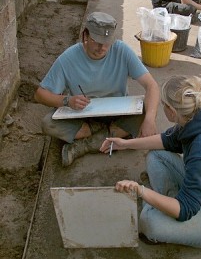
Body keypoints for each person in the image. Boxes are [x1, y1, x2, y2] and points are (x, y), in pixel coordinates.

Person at [100, 75, 201, 247]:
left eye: (163, 105)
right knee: (156, 155)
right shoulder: (199, 113)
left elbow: (186, 209)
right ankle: (166, 203)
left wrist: (141, 191)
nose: (162, 108)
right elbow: (167, 141)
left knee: (149, 222)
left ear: (172, 112)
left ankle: (163, 205)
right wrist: (125, 144)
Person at [34, 12, 159, 167]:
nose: (102, 48)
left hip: (118, 113)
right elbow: (40, 94)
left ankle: (83, 146)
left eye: (107, 42)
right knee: (48, 123)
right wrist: (67, 101)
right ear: (85, 36)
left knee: (148, 111)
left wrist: (150, 119)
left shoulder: (121, 50)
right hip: (82, 116)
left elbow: (152, 86)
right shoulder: (69, 58)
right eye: (97, 42)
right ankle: (105, 134)